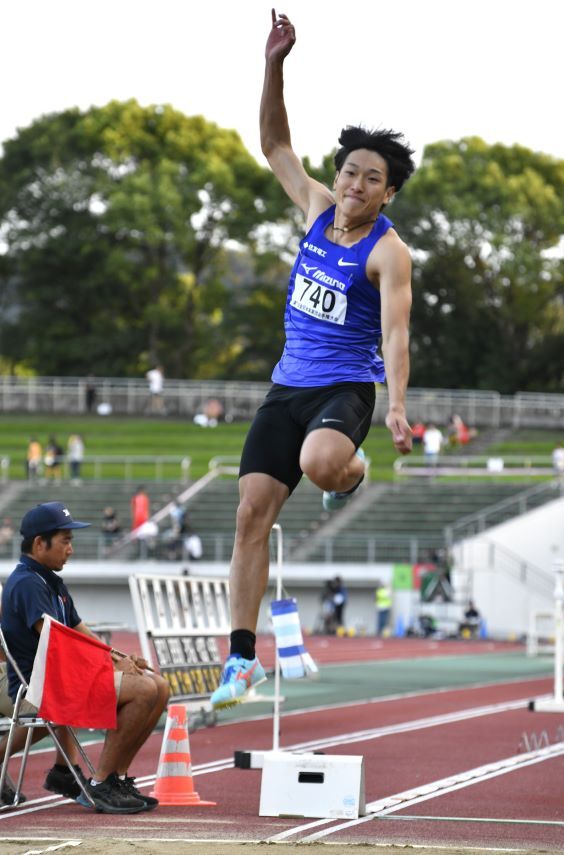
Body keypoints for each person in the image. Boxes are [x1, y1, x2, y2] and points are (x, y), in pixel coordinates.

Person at [210, 10, 415, 709]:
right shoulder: (316, 209)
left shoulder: (388, 252)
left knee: (321, 464)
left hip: (346, 386)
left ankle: (351, 476)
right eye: (349, 171)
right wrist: (275, 64)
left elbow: (395, 336)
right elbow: (273, 143)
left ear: (389, 193)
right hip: (286, 386)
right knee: (248, 515)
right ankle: (241, 659)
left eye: (371, 179)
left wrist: (397, 409)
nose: (355, 185)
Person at [0, 502, 169, 813]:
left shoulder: (53, 583)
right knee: (144, 690)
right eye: (65, 540)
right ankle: (101, 782)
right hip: (41, 687)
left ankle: (116, 777)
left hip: (61, 679)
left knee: (159, 686)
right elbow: (59, 643)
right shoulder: (26, 583)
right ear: (40, 543)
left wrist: (121, 658)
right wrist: (110, 664)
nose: (71, 549)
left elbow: (80, 631)